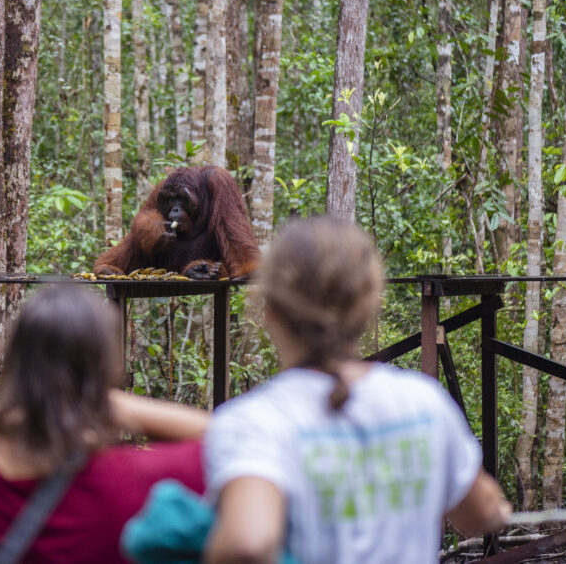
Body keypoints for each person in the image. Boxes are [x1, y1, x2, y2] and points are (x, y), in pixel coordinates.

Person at [203, 217, 511, 564]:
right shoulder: (423, 402)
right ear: (369, 306)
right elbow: (480, 515)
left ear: (271, 311)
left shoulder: (254, 421)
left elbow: (248, 542)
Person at [0, 284, 209, 564]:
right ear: (105, 370)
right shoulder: (126, 481)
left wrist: (29, 407)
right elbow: (221, 436)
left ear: (15, 361)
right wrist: (94, 402)